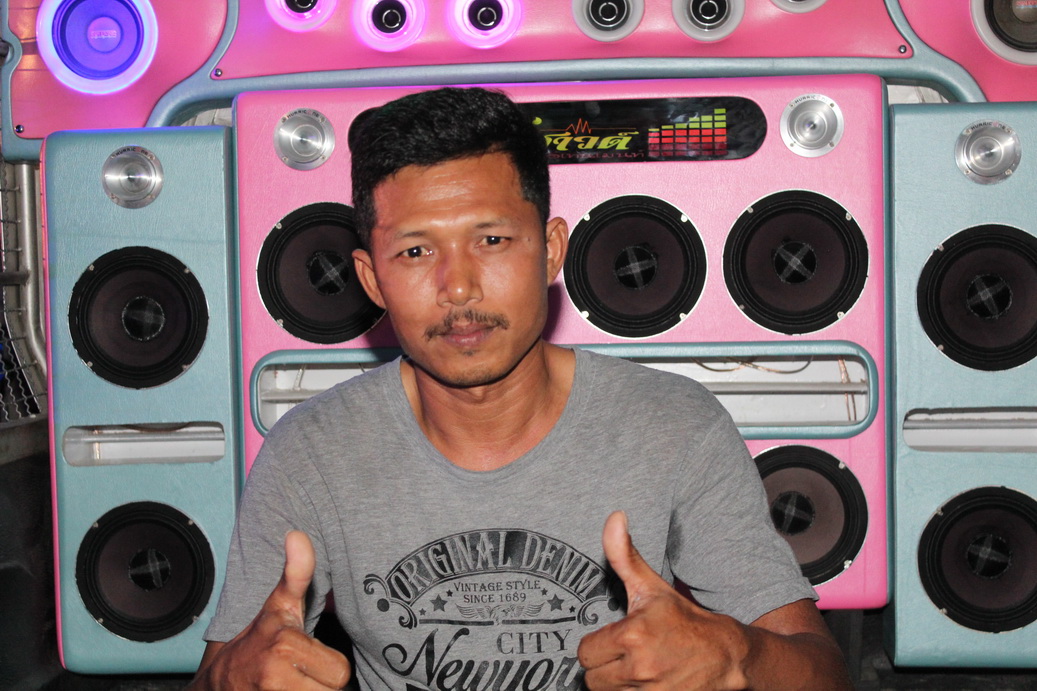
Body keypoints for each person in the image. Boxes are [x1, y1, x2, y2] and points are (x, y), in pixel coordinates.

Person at [189, 86, 853, 690]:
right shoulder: (310, 451)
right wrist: (230, 681)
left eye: (492, 239)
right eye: (416, 251)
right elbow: (220, 672)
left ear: (551, 249)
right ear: (370, 279)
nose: (458, 287)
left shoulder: (675, 427)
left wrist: (737, 653)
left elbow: (821, 672)